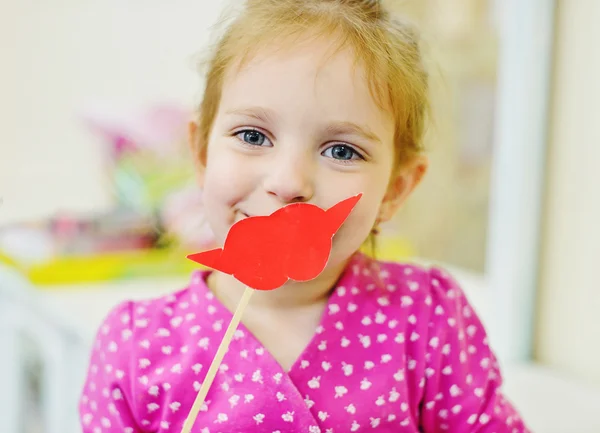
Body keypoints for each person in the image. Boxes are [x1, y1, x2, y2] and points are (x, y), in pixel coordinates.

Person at [79, 0, 530, 431]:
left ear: (395, 188)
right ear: (200, 153)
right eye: (253, 136)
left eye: (341, 150)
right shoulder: (136, 345)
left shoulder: (427, 318)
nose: (290, 181)